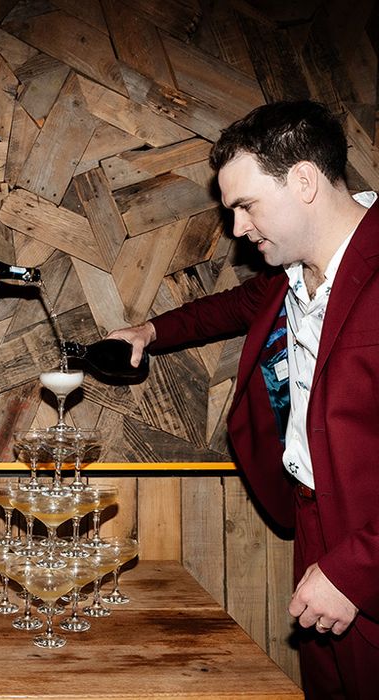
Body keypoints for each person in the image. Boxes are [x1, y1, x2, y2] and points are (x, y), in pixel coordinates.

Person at [109, 101, 379, 699]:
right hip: (312, 521)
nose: (237, 229)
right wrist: (149, 333)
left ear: (304, 180)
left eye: (245, 205)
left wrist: (360, 568)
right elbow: (234, 307)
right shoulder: (294, 273)